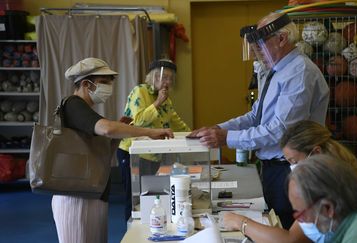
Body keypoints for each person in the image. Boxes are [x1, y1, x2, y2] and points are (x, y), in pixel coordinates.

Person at [190, 12, 329, 228]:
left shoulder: (299, 72)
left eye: (260, 44)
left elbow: (281, 130)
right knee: (276, 224)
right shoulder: (274, 71)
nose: (256, 53)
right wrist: (218, 128)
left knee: (291, 231)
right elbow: (256, 116)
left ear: (281, 39)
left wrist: (227, 138)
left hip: (293, 168)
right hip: (273, 166)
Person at [52, 57, 174, 243]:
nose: (108, 88)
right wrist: (149, 131)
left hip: (94, 193)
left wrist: (121, 131)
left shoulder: (87, 110)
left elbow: (104, 150)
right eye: (103, 83)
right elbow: (107, 129)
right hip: (76, 196)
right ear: (86, 83)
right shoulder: (73, 105)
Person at [222, 120, 357, 243]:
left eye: (294, 161)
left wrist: (240, 222)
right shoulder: (339, 172)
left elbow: (290, 240)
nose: (293, 168)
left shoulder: (326, 186)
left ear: (315, 153)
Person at [117, 59, 190, 222]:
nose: (169, 82)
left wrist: (193, 134)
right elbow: (137, 121)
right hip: (132, 153)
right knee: (134, 200)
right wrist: (157, 103)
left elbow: (176, 122)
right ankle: (131, 232)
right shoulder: (140, 91)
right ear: (155, 77)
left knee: (152, 197)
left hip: (152, 154)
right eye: (165, 78)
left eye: (171, 79)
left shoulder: (166, 99)